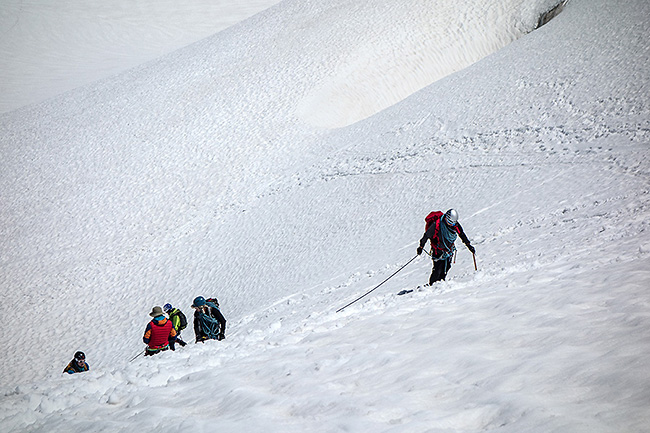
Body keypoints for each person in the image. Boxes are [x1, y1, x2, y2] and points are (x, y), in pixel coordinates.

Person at [417, 209, 475, 285]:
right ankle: (432, 285)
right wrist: (421, 247)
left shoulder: (455, 225)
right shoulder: (437, 224)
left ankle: (441, 283)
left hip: (448, 250)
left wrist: (469, 245)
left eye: (453, 223)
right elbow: (426, 235)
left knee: (447, 266)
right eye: (450, 222)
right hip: (438, 250)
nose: (451, 225)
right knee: (438, 269)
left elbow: (461, 234)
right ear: (446, 218)